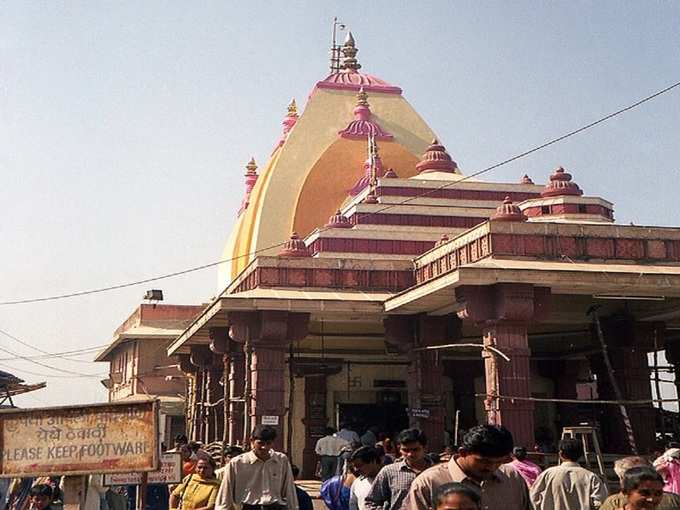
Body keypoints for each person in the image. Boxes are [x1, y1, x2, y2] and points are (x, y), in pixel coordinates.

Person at [404, 424, 530, 510]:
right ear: (463, 452)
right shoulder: (428, 483)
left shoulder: (512, 478)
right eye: (484, 461)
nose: (491, 468)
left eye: (498, 462)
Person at [215, 425, 299, 510]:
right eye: (260, 443)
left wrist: (293, 507)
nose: (264, 447)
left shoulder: (281, 461)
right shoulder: (237, 463)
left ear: (273, 443)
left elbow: (289, 489)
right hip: (248, 507)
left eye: (268, 443)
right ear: (252, 441)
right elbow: (226, 491)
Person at [530, 438, 608, 510]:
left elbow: (534, 497)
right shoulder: (591, 477)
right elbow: (600, 503)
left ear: (561, 454)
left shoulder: (547, 474)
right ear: (581, 454)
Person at [365, 428, 433, 510]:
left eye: (415, 449)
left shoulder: (437, 472)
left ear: (425, 448)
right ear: (399, 449)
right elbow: (370, 502)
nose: (410, 454)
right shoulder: (389, 472)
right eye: (406, 450)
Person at [601, 456, 680, 510]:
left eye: (658, 493)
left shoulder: (673, 501)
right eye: (645, 493)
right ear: (626, 492)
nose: (652, 499)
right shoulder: (613, 503)